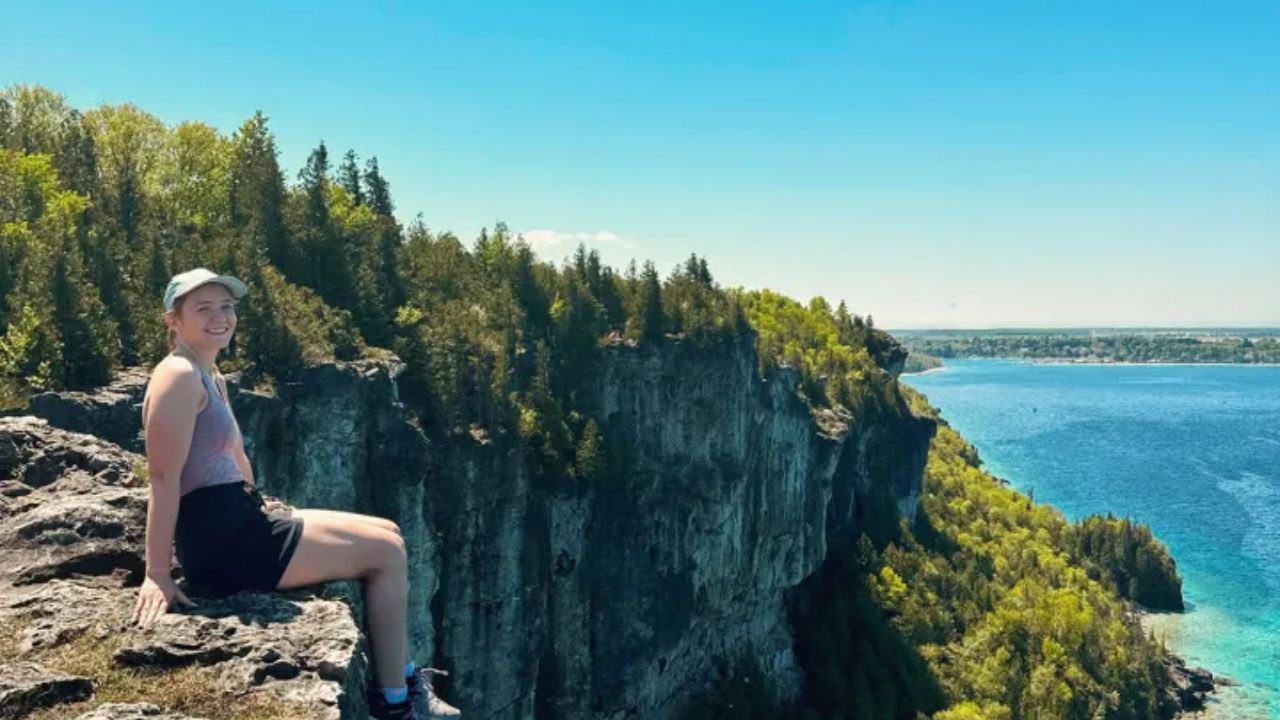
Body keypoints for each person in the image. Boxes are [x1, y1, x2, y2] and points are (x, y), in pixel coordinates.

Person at [133, 268, 449, 720]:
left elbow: (231, 459)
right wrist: (158, 572)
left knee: (390, 530)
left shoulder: (209, 373)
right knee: (386, 554)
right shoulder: (178, 375)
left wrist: (261, 502)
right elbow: (163, 477)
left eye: (227, 307)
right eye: (204, 309)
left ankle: (406, 675)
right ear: (173, 320)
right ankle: (397, 701)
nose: (220, 317)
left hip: (241, 516)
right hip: (224, 542)